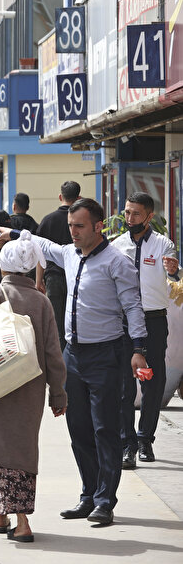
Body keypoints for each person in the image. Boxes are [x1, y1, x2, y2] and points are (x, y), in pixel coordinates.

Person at [0, 198, 148, 526]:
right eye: (70, 227)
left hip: (106, 355)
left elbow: (133, 306)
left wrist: (138, 348)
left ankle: (105, 501)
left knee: (105, 429)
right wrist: (12, 233)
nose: (73, 232)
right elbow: (43, 244)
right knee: (78, 429)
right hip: (73, 357)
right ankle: (88, 495)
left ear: (98, 226)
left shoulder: (117, 262)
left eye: (80, 226)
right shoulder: (69, 253)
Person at [0, 230, 68, 543]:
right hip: (28, 390)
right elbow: (53, 353)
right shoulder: (42, 302)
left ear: (2, 265)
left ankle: (16, 519)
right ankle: (7, 515)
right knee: (21, 451)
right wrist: (58, 393)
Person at [111, 192, 179, 468]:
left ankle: (144, 440)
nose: (129, 218)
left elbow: (173, 273)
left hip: (153, 322)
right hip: (124, 322)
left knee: (151, 382)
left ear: (149, 216)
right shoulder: (116, 246)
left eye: (136, 213)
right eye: (127, 212)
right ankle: (127, 443)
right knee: (124, 386)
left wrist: (173, 270)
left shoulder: (163, 244)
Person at [36, 181, 80, 350]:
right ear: (78, 198)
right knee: (74, 320)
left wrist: (39, 280)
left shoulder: (48, 220)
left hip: (53, 278)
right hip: (76, 277)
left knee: (56, 323)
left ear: (60, 196)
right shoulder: (81, 222)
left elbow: (41, 253)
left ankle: (60, 357)